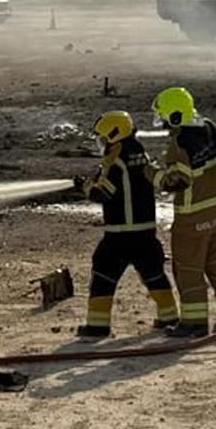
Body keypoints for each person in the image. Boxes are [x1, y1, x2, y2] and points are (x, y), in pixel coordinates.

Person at [71, 110, 178, 338]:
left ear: (113, 135)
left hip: (120, 234)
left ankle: (97, 326)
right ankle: (169, 317)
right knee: (153, 275)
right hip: (145, 232)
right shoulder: (140, 153)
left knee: (103, 276)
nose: (101, 143)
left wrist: (85, 188)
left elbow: (104, 194)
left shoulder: (116, 160)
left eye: (102, 138)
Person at [153, 87, 216, 338]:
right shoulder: (212, 127)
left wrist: (152, 173)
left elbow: (176, 182)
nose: (162, 123)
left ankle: (194, 323)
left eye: (163, 117)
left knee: (188, 269)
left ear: (175, 116)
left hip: (195, 219)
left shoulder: (179, 142)